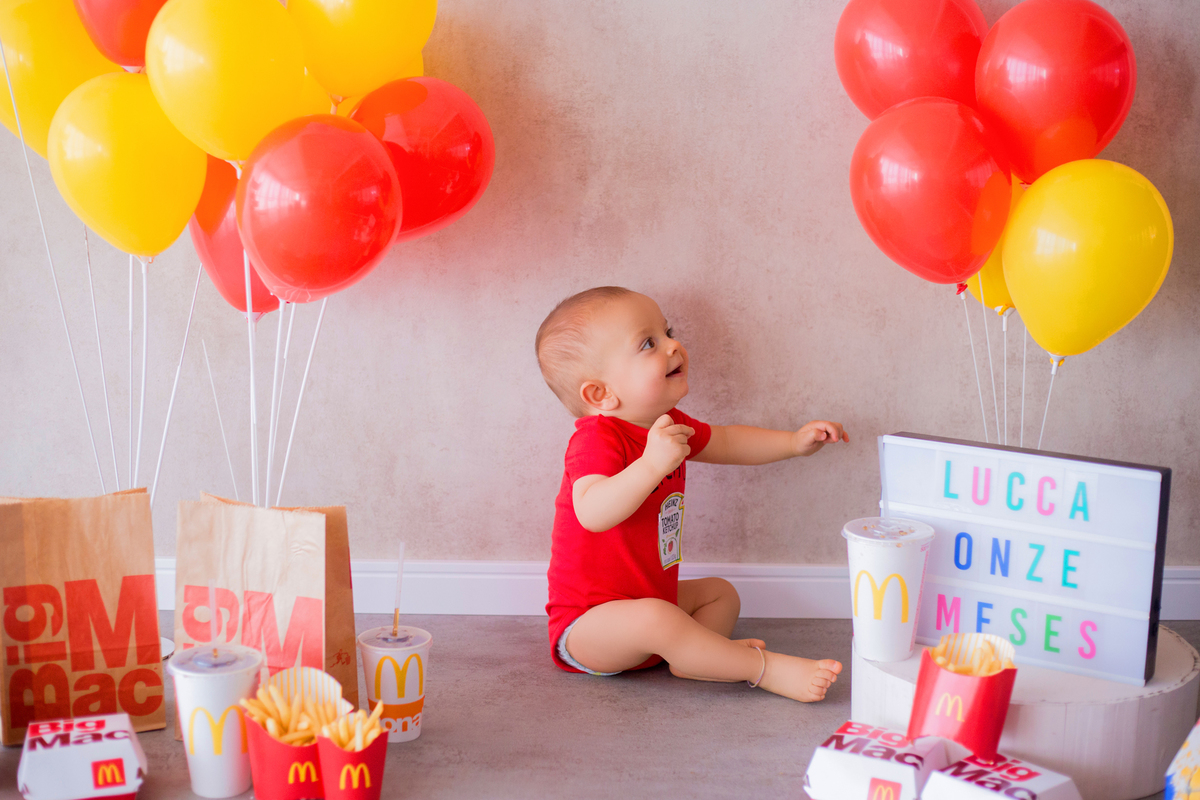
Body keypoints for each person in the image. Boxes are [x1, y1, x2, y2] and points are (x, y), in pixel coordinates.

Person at [537, 286, 847, 702]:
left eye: (667, 331)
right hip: (589, 627)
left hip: (650, 602)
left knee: (721, 593)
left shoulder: (666, 422)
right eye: (649, 343)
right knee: (656, 617)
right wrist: (651, 465)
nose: (673, 345)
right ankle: (763, 669)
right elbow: (592, 511)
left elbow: (727, 442)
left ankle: (698, 659)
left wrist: (792, 443)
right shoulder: (597, 438)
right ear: (601, 394)